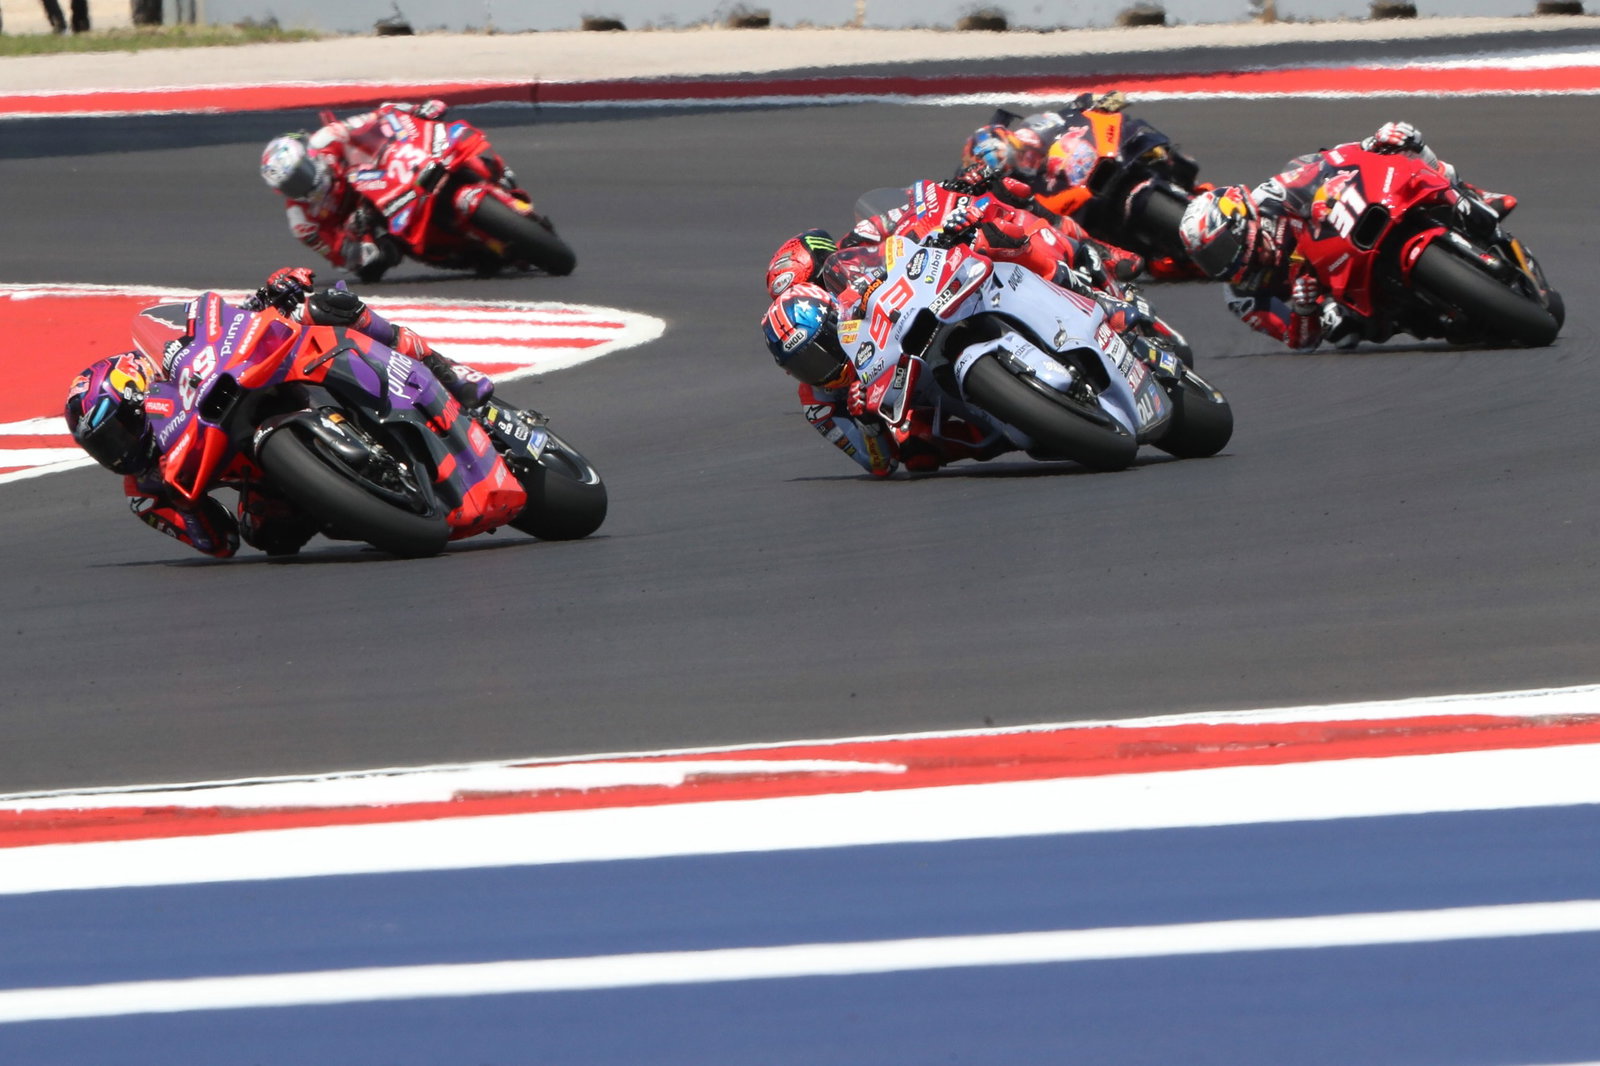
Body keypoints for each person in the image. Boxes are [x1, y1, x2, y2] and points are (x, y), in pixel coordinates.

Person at [63, 268, 495, 558]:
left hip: (261, 381)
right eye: (103, 446)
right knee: (267, 536)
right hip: (263, 477)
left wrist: (270, 295)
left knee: (325, 307)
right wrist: (187, 508)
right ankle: (362, 499)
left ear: (139, 389)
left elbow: (215, 328)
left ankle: (445, 370)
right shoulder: (145, 491)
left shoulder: (172, 368)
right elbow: (221, 543)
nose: (118, 451)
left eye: (118, 430)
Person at [1177, 121, 1517, 351]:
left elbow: (1330, 163)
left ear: (1239, 218)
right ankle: (1423, 312)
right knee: (1341, 331)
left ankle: (1466, 195)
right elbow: (1298, 340)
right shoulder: (1241, 297)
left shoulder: (1270, 196)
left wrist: (1372, 143)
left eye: (1219, 249)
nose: (1221, 263)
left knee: (1403, 145)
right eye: (1209, 260)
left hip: (1348, 228)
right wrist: (1307, 309)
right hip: (1340, 292)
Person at [759, 282, 1010, 477]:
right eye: (804, 366)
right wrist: (869, 424)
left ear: (833, 320)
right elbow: (879, 465)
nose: (820, 369)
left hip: (920, 336)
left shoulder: (855, 297)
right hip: (916, 403)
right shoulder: (817, 403)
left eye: (821, 349)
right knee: (915, 450)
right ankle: (995, 434)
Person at [260, 99, 526, 283]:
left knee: (454, 141)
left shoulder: (327, 138)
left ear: (310, 155)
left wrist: (417, 110)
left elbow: (381, 116)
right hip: (377, 218)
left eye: (301, 173)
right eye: (291, 184)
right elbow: (341, 255)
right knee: (384, 257)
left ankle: (499, 176)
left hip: (390, 170)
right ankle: (470, 252)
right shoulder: (302, 223)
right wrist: (357, 241)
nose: (302, 184)